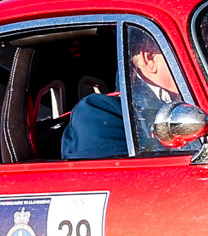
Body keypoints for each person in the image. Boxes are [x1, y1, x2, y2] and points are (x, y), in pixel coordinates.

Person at [59, 35, 188, 160]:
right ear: (149, 58)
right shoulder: (99, 115)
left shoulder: (192, 101)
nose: (207, 61)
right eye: (206, 52)